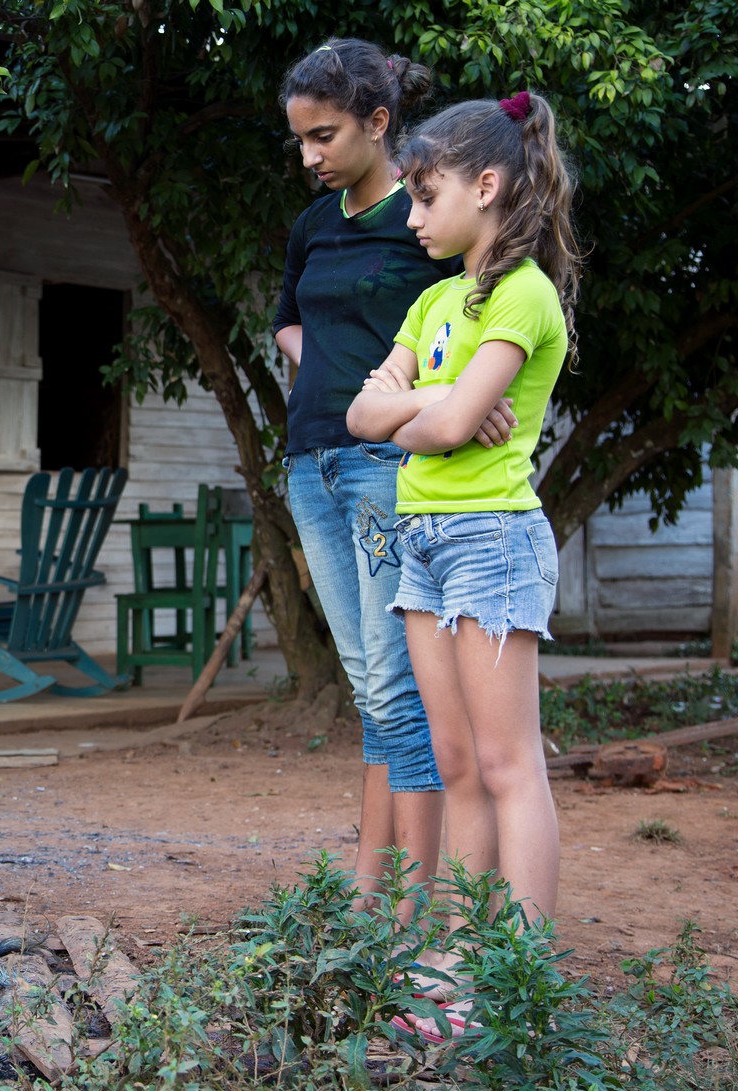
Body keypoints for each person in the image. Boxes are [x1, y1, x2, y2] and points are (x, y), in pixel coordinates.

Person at [347, 90, 580, 1036]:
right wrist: (437, 399)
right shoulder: (437, 300)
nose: (410, 217)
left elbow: (430, 425)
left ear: (486, 186)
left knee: (506, 761)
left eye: (423, 195)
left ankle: (514, 970)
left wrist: (421, 404)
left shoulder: (525, 292)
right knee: (452, 762)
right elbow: (361, 419)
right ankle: (461, 948)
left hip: (491, 541)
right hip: (424, 545)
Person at [273, 39, 458, 919]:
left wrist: (410, 395)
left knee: (396, 683)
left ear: (378, 123)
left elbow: (470, 321)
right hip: (310, 461)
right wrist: (331, 381)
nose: (309, 156)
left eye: (324, 136)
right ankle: (370, 893)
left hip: (388, 465)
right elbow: (289, 325)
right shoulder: (313, 227)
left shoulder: (425, 220)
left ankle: (412, 910)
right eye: (301, 140)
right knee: (367, 682)